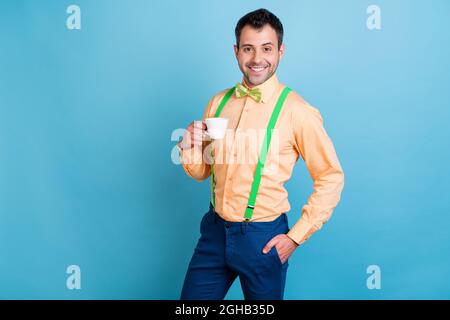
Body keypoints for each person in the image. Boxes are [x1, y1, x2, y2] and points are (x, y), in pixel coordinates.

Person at [176, 8, 344, 300]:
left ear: (280, 50)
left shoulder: (297, 111)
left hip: (263, 238)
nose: (257, 59)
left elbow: (330, 177)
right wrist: (190, 146)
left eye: (266, 48)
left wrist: (295, 237)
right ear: (236, 51)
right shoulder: (218, 102)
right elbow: (204, 172)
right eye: (248, 48)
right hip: (214, 232)